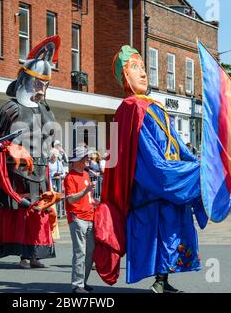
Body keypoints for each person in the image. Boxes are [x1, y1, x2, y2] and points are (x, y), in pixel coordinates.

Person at [93, 45, 207, 293]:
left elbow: (177, 144)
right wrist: (179, 174)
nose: (143, 73)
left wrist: (200, 165)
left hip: (165, 183)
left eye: (143, 67)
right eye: (135, 68)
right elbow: (150, 160)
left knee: (169, 234)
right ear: (125, 76)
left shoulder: (153, 106)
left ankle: (163, 280)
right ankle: (159, 281)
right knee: (160, 234)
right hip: (152, 188)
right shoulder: (132, 109)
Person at [0, 36, 62, 269]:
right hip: (17, 172)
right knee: (22, 212)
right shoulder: (10, 108)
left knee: (39, 212)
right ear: (27, 81)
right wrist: (12, 150)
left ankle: (36, 254)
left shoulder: (45, 110)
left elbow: (50, 137)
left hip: (41, 171)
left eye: (45, 84)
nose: (42, 89)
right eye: (39, 83)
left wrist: (54, 149)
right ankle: (22, 255)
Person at [64, 147, 98, 293]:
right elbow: (71, 199)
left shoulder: (85, 174)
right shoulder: (69, 177)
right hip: (77, 218)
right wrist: (86, 191)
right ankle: (77, 285)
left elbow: (88, 198)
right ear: (78, 160)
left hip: (89, 217)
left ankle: (82, 282)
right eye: (86, 158)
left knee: (90, 252)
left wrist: (96, 202)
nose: (88, 160)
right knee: (80, 252)